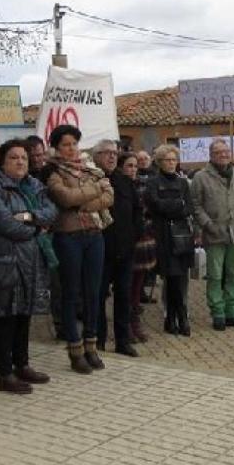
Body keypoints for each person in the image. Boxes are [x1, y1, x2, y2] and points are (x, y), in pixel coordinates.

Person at [0, 139, 58, 393]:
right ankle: (4, 373)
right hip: (5, 261)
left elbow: (51, 212)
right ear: (2, 161)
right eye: (14, 157)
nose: (21, 162)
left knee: (25, 313)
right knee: (6, 316)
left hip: (32, 260)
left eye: (24, 157)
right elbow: (4, 223)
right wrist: (35, 230)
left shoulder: (35, 185)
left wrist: (28, 217)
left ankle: (22, 364)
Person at [45, 126, 113, 374]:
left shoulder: (89, 167)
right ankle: (74, 349)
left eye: (74, 143)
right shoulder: (52, 172)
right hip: (68, 237)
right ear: (56, 147)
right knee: (71, 292)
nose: (71, 148)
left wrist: (83, 202)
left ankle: (91, 345)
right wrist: (93, 192)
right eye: (65, 144)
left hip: (95, 234)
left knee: (94, 292)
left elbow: (109, 196)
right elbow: (65, 198)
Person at [191, 139, 234, 330]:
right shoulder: (201, 177)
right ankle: (218, 312)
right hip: (215, 233)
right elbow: (195, 205)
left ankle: (233, 312)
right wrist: (207, 224)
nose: (224, 155)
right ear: (211, 155)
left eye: (226, 151)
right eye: (219, 152)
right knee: (215, 276)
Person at [144, 144, 195, 335]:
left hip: (182, 235)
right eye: (167, 160)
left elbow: (189, 207)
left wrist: (171, 206)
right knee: (171, 277)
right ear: (159, 162)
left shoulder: (183, 183)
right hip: (163, 235)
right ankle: (175, 317)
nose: (171, 163)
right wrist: (176, 205)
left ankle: (177, 317)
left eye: (174, 159)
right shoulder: (153, 182)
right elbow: (155, 205)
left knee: (180, 277)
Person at [97, 146, 142, 357]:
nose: (112, 156)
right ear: (97, 157)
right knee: (97, 297)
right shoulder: (92, 180)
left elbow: (137, 211)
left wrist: (134, 236)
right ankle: (98, 340)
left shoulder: (125, 182)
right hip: (100, 250)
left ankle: (122, 340)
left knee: (123, 296)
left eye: (115, 153)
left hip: (125, 249)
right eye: (107, 153)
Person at [129, 153, 157, 342]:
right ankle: (126, 323)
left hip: (143, 239)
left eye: (134, 166)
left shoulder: (143, 186)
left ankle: (134, 321)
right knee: (126, 286)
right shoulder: (116, 184)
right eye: (129, 165)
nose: (133, 169)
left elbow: (151, 209)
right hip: (124, 241)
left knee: (137, 284)